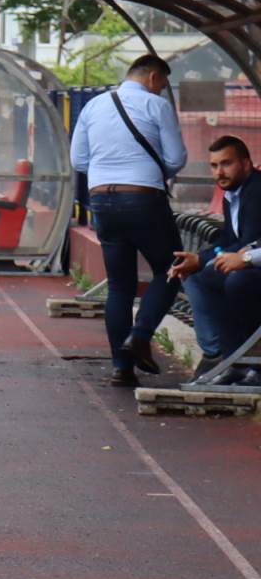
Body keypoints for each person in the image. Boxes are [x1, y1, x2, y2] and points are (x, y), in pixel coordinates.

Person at [69, 52, 188, 387]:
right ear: (153, 78)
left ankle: (121, 368)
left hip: (102, 200)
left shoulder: (93, 106)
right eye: (162, 85)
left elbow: (79, 159)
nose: (162, 91)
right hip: (144, 198)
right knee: (171, 269)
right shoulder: (157, 106)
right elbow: (176, 158)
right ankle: (140, 335)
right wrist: (151, 170)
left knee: (119, 285)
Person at [168, 135, 261, 385]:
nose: (219, 172)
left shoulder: (257, 191)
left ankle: (249, 363)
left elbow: (250, 241)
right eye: (214, 165)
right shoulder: (233, 194)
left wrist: (238, 258)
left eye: (226, 164)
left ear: (246, 163)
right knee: (196, 277)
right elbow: (228, 239)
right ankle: (219, 356)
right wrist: (199, 259)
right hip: (251, 261)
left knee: (236, 281)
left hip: (255, 264)